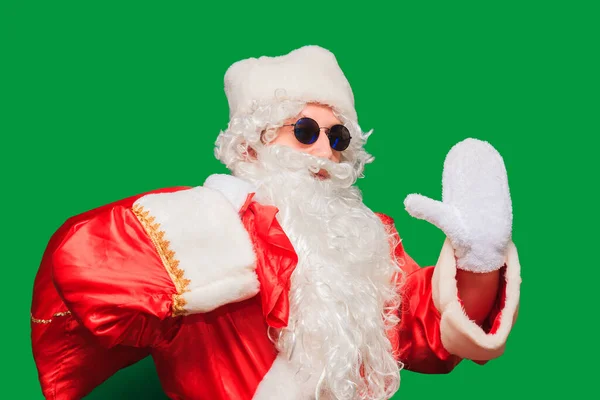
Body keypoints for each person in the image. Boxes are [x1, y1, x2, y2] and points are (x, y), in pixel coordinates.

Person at [30, 45, 521, 400]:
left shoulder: (367, 238)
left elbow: (421, 331)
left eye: (339, 136)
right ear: (249, 146)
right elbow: (85, 264)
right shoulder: (204, 222)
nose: (326, 151)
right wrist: (214, 248)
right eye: (304, 132)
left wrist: (479, 262)